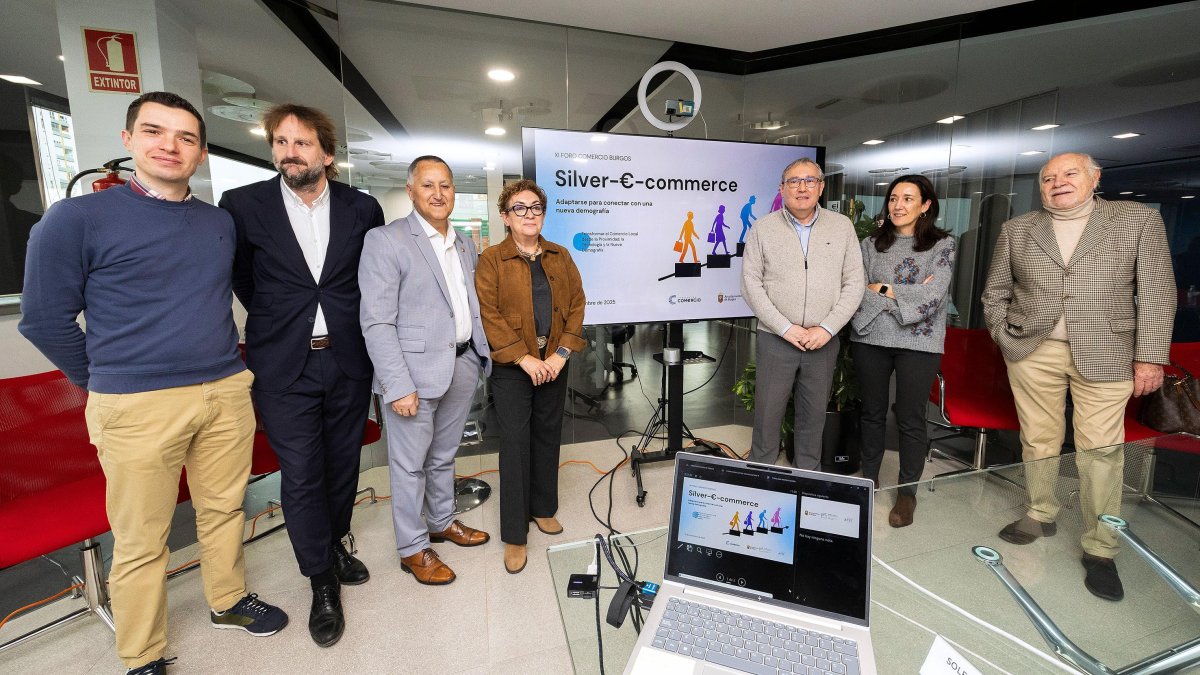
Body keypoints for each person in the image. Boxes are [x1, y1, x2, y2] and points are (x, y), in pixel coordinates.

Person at [18, 92, 287, 675]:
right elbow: (42, 318)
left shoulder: (217, 222)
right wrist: (109, 381)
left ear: (201, 152)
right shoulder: (76, 219)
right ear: (128, 141)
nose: (170, 145)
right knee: (141, 537)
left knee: (222, 509)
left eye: (186, 137)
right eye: (155, 132)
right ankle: (141, 652)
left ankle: (228, 599)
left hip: (223, 391)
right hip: (135, 404)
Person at [220, 103, 384, 647]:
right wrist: (285, 315)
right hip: (283, 361)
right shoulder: (244, 206)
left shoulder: (362, 208)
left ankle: (334, 543)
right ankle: (321, 581)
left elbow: (369, 279)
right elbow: (244, 277)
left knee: (342, 466)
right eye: (282, 142)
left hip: (347, 358)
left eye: (303, 143)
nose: (291, 152)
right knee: (303, 473)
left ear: (327, 154)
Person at [982, 152, 1175, 602]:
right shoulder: (1019, 229)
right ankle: (1040, 511)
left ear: (1095, 178)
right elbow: (995, 292)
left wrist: (1149, 357)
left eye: (1069, 173)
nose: (1058, 182)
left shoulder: (1136, 220)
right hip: (1033, 350)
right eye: (1048, 177)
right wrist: (1003, 335)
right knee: (1038, 438)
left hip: (1108, 352)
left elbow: (1157, 292)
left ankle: (1101, 547)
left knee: (1101, 451)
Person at [359, 155, 492, 586]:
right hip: (413, 375)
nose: (438, 194)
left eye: (446, 185)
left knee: (444, 455)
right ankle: (413, 547)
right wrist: (397, 384)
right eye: (429, 185)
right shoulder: (387, 240)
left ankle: (442, 520)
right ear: (411, 190)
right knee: (409, 465)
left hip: (462, 362)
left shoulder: (465, 243)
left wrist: (479, 355)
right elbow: (377, 321)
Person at [474, 179, 586, 574]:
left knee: (547, 434)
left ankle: (543, 508)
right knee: (516, 443)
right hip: (513, 368)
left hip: (554, 362)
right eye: (519, 208)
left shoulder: (560, 255)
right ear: (505, 216)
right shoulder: (491, 259)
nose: (529, 214)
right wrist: (524, 358)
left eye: (535, 207)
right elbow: (489, 314)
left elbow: (576, 305)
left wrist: (560, 354)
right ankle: (515, 535)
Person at [741, 157, 865, 469]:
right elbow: (750, 285)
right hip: (776, 339)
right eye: (794, 181)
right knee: (768, 416)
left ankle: (808, 478)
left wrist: (827, 328)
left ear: (821, 187)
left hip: (823, 340)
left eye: (810, 180)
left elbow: (854, 283)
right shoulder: (762, 229)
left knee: (813, 418)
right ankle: (760, 474)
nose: (802, 187)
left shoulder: (842, 227)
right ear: (782, 189)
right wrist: (785, 328)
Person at [850, 174, 954, 527]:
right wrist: (901, 294)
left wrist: (883, 290)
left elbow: (934, 296)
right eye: (894, 198)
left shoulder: (942, 246)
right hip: (870, 338)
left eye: (908, 199)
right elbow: (856, 290)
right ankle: (869, 480)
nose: (898, 205)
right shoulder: (870, 244)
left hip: (919, 342)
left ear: (925, 205)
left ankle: (907, 493)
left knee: (910, 417)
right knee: (872, 412)